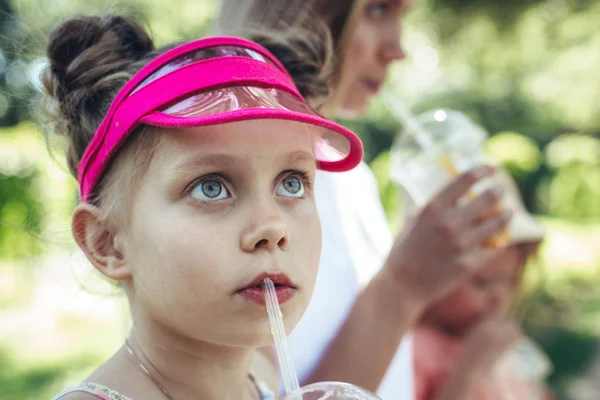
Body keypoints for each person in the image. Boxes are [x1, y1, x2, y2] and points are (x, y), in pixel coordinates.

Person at [42, 14, 364, 400]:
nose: (273, 228)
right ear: (107, 242)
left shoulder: (260, 377)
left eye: (291, 182)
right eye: (211, 188)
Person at [214, 0, 513, 399]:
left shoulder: (352, 175)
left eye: (401, 18)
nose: (397, 49)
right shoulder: (233, 186)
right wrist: (402, 288)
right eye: (377, 11)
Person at [413, 171, 552, 400]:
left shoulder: (498, 348)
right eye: (483, 282)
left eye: (510, 281)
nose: (499, 297)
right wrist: (469, 371)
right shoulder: (415, 349)